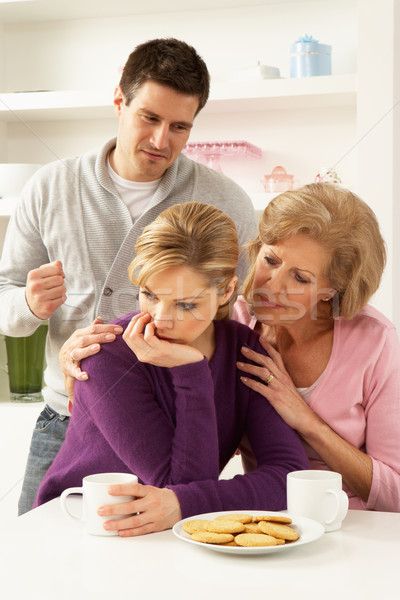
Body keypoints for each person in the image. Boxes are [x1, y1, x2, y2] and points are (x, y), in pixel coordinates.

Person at [0, 38, 257, 515]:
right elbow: (5, 303)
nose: (162, 141)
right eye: (149, 118)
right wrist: (30, 307)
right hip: (67, 418)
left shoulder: (227, 200)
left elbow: (246, 313)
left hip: (180, 424)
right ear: (119, 100)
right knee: (31, 571)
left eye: (180, 127)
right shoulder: (51, 187)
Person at [34, 202, 309, 535]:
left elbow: (288, 477)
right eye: (149, 295)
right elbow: (178, 485)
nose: (160, 318)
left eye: (186, 304)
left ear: (225, 291)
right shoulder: (105, 355)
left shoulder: (244, 350)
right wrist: (191, 373)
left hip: (171, 534)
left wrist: (187, 501)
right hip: (80, 524)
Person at [234, 182, 400, 512]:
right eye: (271, 259)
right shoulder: (233, 323)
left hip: (353, 529)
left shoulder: (375, 341)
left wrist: (305, 419)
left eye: (301, 278)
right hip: (263, 519)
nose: (272, 285)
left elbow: (395, 493)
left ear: (331, 289)